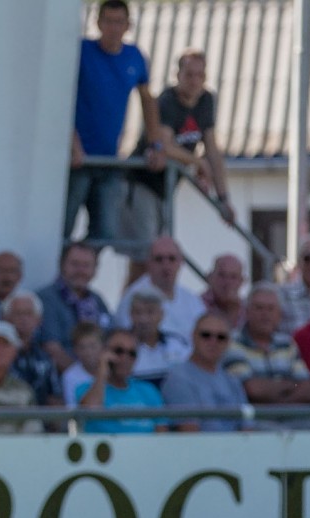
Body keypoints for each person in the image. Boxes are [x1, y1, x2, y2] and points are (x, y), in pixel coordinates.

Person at [120, 47, 235, 278]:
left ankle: (150, 308)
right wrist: (197, 163)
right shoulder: (167, 101)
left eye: (200, 75)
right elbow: (166, 145)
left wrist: (223, 198)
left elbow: (212, 148)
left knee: (158, 254)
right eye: (189, 75)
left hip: (165, 190)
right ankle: (132, 309)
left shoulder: (206, 101)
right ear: (178, 75)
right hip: (141, 183)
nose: (194, 81)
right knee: (145, 258)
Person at [67, 0, 163, 244]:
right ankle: (65, 274)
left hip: (110, 160)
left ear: (128, 25)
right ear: (98, 23)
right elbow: (60, 98)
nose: (113, 28)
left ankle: (79, 269)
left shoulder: (134, 57)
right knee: (63, 229)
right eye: (108, 21)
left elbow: (147, 101)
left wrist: (156, 145)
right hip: (78, 160)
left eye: (119, 22)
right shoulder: (81, 52)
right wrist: (72, 142)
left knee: (107, 232)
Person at [224, 283, 310, 423]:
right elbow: (252, 389)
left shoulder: (287, 343)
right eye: (259, 308)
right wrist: (290, 385)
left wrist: (277, 402)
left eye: (270, 308)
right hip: (254, 422)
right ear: (247, 311)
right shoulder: (232, 343)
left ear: (279, 314)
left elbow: (308, 388)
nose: (265, 314)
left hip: (292, 420)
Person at [161, 312, 247, 432]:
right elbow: (190, 434)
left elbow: (247, 428)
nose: (213, 341)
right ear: (193, 336)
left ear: (228, 343)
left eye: (221, 337)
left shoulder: (232, 381)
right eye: (206, 335)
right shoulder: (178, 378)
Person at [78, 327, 170, 433]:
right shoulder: (85, 389)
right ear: (104, 352)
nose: (125, 358)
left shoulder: (149, 391)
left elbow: (162, 435)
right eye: (119, 351)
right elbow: (90, 411)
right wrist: (102, 370)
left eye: (132, 353)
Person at [37, 242, 112, 370]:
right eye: (75, 264)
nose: (80, 271)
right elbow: (52, 348)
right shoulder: (46, 299)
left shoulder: (97, 300)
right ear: (62, 266)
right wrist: (81, 377)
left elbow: (110, 340)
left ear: (95, 270)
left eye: (86, 265)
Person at [117, 235, 203, 344]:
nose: (166, 265)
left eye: (171, 259)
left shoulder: (192, 300)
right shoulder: (133, 297)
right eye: (159, 259)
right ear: (148, 262)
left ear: (180, 262)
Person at [5, 291, 62, 406]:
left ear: (39, 320)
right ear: (6, 318)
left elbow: (54, 397)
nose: (23, 319)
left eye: (29, 313)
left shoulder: (45, 357)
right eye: (18, 313)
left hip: (38, 419)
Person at [124, 289, 190, 387]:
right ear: (130, 314)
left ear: (161, 314)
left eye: (150, 312)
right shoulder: (121, 348)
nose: (143, 319)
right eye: (138, 312)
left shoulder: (177, 344)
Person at [61, 321, 107, 406]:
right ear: (75, 350)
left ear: (103, 346)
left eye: (92, 346)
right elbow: (72, 410)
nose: (88, 352)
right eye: (82, 347)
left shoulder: (115, 369)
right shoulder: (69, 376)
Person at [201, 253, 246, 331]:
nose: (227, 282)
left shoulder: (248, 310)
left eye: (233, 277)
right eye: (222, 275)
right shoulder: (196, 305)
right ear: (210, 277)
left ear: (241, 281)